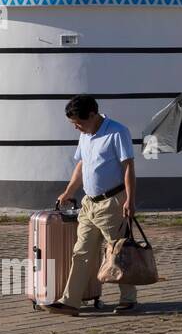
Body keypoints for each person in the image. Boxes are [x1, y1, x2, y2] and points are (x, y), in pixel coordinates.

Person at [47, 95, 138, 315]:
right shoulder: (85, 136)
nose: (76, 128)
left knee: (117, 252)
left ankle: (128, 298)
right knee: (81, 252)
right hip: (89, 203)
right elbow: (81, 164)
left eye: (78, 122)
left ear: (92, 114)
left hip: (112, 203)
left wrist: (130, 199)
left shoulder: (117, 132)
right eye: (73, 124)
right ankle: (70, 302)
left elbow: (128, 167)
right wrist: (69, 192)